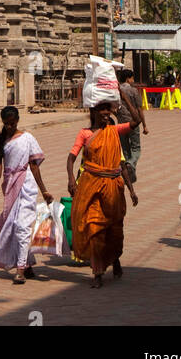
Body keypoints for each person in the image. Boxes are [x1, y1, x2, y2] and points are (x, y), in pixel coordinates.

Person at [67, 100, 138, 289]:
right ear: (94, 111)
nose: (106, 113)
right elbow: (71, 157)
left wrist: (131, 190)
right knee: (94, 227)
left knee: (114, 229)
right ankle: (97, 272)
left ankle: (114, 260)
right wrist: (71, 180)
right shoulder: (85, 133)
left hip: (113, 187)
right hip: (90, 187)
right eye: (103, 109)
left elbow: (136, 122)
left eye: (108, 109)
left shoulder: (113, 131)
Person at [0, 107, 53, 284]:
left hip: (26, 184)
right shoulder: (0, 139)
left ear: (17, 120)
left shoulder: (27, 138)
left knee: (22, 226)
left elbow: (34, 166)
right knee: (9, 224)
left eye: (12, 123)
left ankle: (21, 269)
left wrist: (44, 190)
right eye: (6, 123)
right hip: (10, 184)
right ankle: (28, 264)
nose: (9, 126)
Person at [116, 68, 148, 178]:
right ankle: (131, 163)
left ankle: (127, 171)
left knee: (125, 148)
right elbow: (140, 109)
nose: (133, 80)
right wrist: (144, 125)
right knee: (136, 148)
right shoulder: (133, 91)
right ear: (128, 78)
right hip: (133, 122)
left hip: (121, 123)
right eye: (132, 78)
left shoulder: (117, 90)